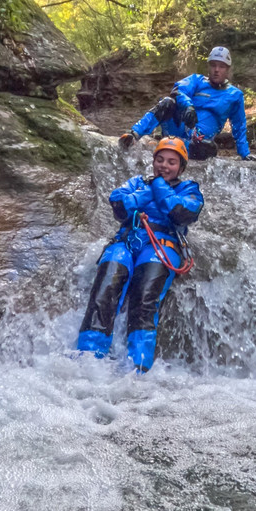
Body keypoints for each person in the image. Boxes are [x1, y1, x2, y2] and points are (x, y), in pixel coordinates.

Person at [77, 137, 204, 372]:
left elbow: (180, 213)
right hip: (126, 241)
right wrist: (145, 193)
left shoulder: (190, 190)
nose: (164, 166)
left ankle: (138, 366)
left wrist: (156, 187)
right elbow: (118, 204)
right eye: (160, 159)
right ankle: (88, 357)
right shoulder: (137, 182)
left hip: (161, 246)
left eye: (172, 162)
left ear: (181, 167)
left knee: (146, 295)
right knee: (105, 286)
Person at [119, 46, 256, 161]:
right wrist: (188, 106)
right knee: (167, 102)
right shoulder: (196, 80)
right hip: (179, 126)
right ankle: (134, 134)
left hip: (199, 141)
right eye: (213, 65)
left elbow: (239, 126)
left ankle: (178, 147)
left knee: (210, 149)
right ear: (208, 67)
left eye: (221, 66)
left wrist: (244, 154)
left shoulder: (235, 95)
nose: (217, 70)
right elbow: (178, 90)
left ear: (227, 69)